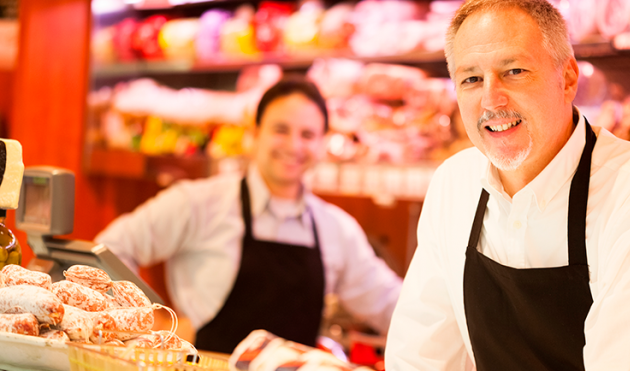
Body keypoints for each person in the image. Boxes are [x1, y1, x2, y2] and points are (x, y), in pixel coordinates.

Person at [384, 1, 630, 370]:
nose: (491, 100)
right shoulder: (454, 184)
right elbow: (419, 358)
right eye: (471, 79)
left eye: (514, 71)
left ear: (568, 79)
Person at [96, 77, 403, 354]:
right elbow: (105, 252)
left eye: (307, 134)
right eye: (281, 130)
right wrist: (157, 323)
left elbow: (391, 303)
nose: (294, 145)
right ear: (255, 134)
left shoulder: (336, 229)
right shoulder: (198, 202)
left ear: (322, 143)